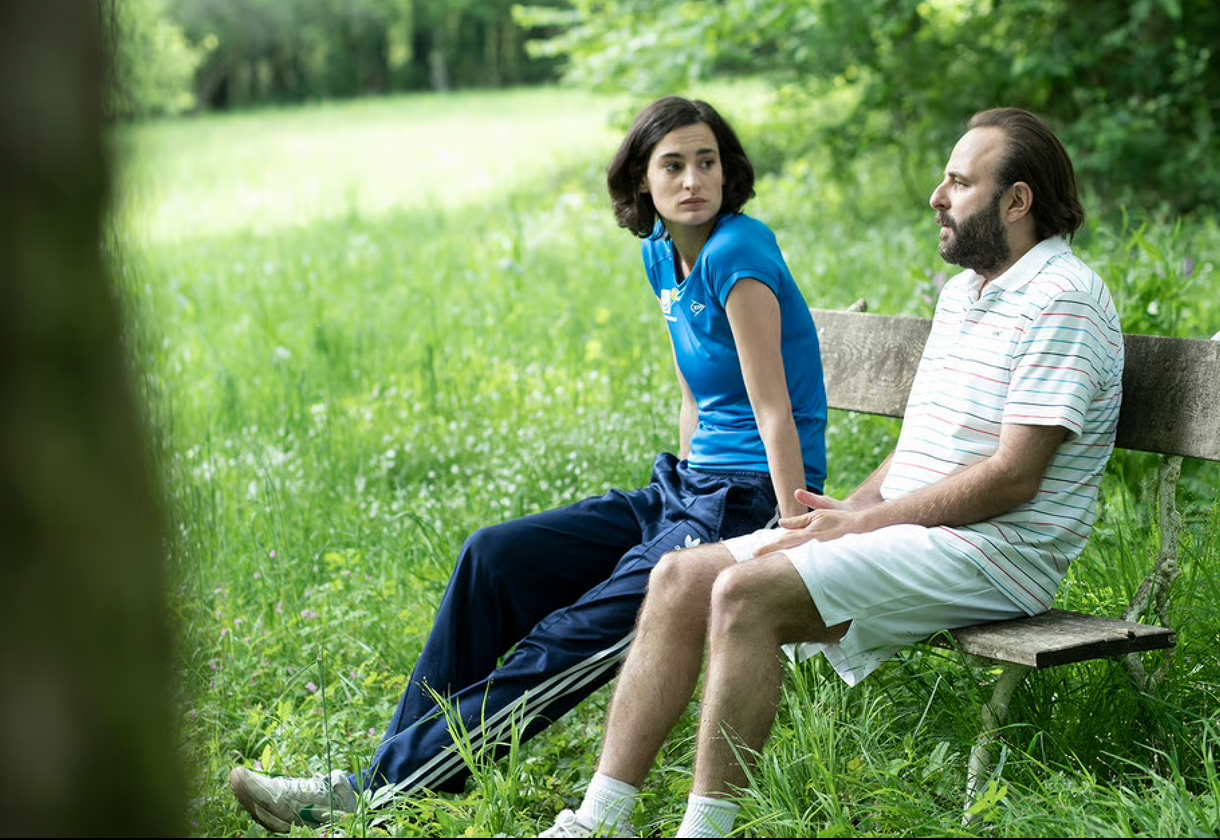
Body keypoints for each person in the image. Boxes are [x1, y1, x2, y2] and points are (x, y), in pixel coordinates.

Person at [226, 96, 829, 833]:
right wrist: (675, 489)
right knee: (494, 557)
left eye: (707, 162)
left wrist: (793, 522)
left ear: (727, 171)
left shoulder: (738, 252)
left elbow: (773, 407)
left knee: (569, 638)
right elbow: (693, 389)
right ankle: (397, 777)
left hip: (746, 502)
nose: (693, 179)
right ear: (642, 180)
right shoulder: (661, 255)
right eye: (672, 165)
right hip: (687, 488)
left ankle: (367, 794)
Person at [537, 106, 1125, 839]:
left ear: (1016, 201)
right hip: (924, 530)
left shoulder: (1061, 301)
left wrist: (862, 524)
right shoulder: (966, 293)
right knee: (678, 578)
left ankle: (705, 833)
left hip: (1000, 551)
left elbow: (1012, 479)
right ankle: (600, 822)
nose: (937, 197)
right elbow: (923, 448)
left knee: (745, 592)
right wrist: (846, 512)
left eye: (958, 182)